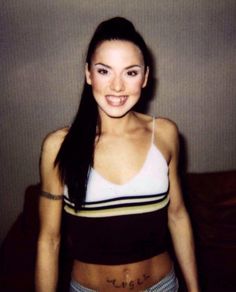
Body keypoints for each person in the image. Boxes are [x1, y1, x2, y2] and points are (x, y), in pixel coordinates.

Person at [35, 17, 200, 292]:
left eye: (130, 73)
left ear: (145, 77)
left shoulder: (165, 134)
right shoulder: (58, 146)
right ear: (88, 74)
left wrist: (195, 289)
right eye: (104, 71)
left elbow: (178, 215)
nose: (117, 87)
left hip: (163, 286)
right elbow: (48, 241)